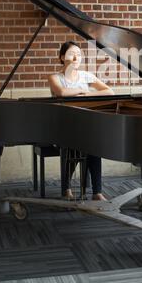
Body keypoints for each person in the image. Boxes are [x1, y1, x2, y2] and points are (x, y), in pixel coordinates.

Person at [48, 41, 114, 201]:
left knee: (94, 144)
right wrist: (83, 89)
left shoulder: (86, 76)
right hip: (63, 125)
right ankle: (66, 189)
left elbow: (109, 91)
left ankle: (97, 192)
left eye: (79, 54)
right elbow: (62, 92)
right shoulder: (55, 77)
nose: (76, 57)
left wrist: (86, 95)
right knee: (72, 145)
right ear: (62, 57)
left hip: (85, 124)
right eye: (71, 53)